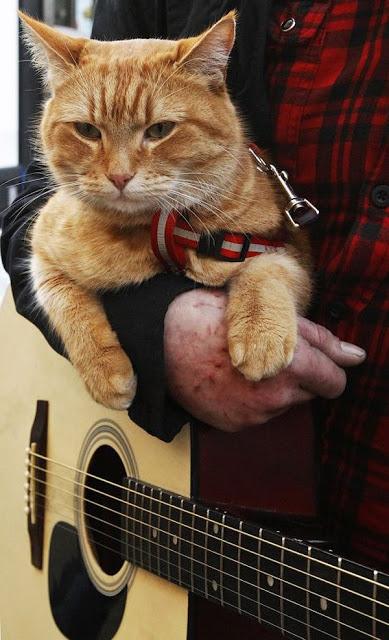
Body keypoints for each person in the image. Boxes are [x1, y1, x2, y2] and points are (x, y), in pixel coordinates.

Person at [1, 0, 388, 581]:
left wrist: (263, 284)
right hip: (187, 502)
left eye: (157, 131)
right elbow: (28, 233)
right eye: (87, 131)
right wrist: (148, 335)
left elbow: (280, 251)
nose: (120, 170)